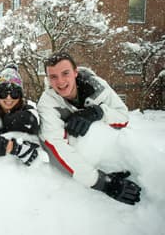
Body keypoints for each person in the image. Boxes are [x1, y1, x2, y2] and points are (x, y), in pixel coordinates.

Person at [37, 52, 141, 205]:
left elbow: (123, 116)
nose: (60, 81)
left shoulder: (97, 87)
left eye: (65, 73)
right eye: (53, 76)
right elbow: (56, 147)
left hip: (112, 152)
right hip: (83, 167)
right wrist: (103, 183)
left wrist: (98, 112)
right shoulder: (47, 104)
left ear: (75, 72)